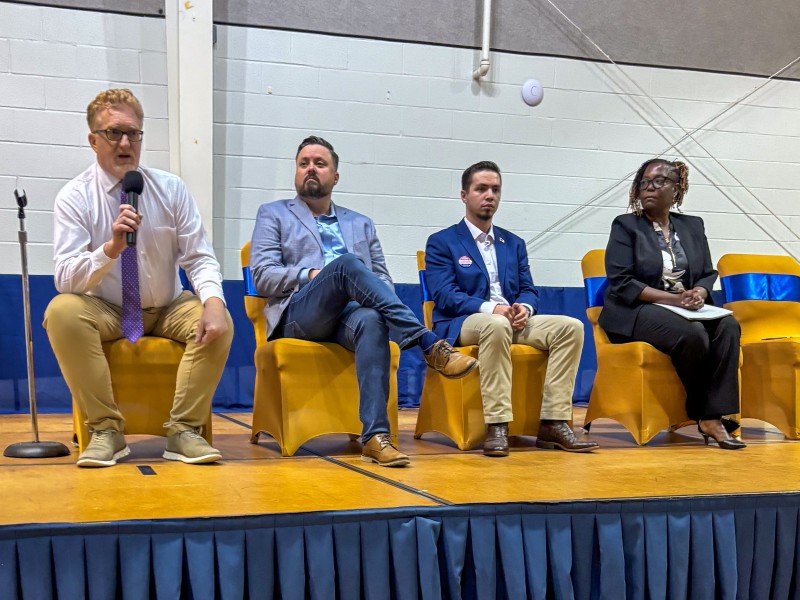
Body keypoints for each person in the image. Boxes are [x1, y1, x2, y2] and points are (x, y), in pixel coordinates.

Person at [249, 136, 477, 467]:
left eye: (320, 163)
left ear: (336, 176)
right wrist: (312, 275)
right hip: (299, 314)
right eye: (304, 163)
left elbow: (382, 279)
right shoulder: (273, 214)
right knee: (346, 265)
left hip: (349, 318)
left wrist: (363, 294)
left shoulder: (360, 222)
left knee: (371, 320)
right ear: (296, 173)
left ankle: (374, 437)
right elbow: (264, 276)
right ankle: (427, 343)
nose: (311, 168)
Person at [44, 89, 234, 467]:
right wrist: (110, 249)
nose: (126, 143)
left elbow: (198, 256)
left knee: (220, 320)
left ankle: (183, 431)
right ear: (93, 140)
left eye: (134, 133)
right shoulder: (74, 197)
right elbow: (65, 277)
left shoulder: (170, 188)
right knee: (62, 312)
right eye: (114, 133)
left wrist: (213, 301)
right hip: (108, 309)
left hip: (167, 306)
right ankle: (105, 430)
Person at [425, 161, 599, 456]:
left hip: (508, 322)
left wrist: (525, 308)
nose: (489, 195)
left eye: (495, 189)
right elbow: (444, 295)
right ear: (464, 195)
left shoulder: (513, 243)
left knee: (570, 327)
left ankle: (553, 422)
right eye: (481, 189)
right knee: (496, 324)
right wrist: (492, 309)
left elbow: (529, 289)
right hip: (463, 323)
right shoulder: (442, 242)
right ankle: (498, 425)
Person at [600, 158, 745, 450]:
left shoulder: (692, 226)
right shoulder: (626, 226)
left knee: (728, 325)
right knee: (692, 334)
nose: (649, 188)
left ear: (676, 189)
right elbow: (622, 281)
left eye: (659, 182)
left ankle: (713, 414)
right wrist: (675, 299)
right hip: (634, 311)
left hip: (684, 307)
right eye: (644, 183)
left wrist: (700, 293)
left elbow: (706, 273)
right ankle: (707, 415)